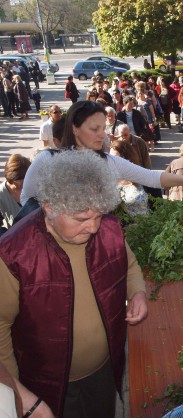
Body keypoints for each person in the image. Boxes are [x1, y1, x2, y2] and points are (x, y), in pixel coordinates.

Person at [0, 150, 148, 418]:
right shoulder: (13, 253)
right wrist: (16, 394)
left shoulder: (110, 229)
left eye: (99, 215)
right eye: (81, 219)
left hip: (104, 372)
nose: (93, 228)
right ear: (49, 207)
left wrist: (137, 293)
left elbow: (130, 266)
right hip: (47, 388)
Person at [20, 101, 183, 208]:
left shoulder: (107, 161)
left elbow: (150, 177)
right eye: (94, 128)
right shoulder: (46, 160)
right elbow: (26, 200)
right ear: (75, 129)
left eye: (103, 128)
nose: (102, 134)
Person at [110, 141, 149, 216]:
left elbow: (156, 205)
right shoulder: (108, 180)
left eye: (115, 158)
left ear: (127, 158)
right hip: (121, 226)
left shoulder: (142, 176)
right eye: (110, 157)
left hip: (146, 225)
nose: (112, 161)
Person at [0, 154, 31, 235]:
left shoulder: (35, 187)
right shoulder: (2, 193)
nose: (21, 184)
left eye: (25, 179)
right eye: (17, 180)